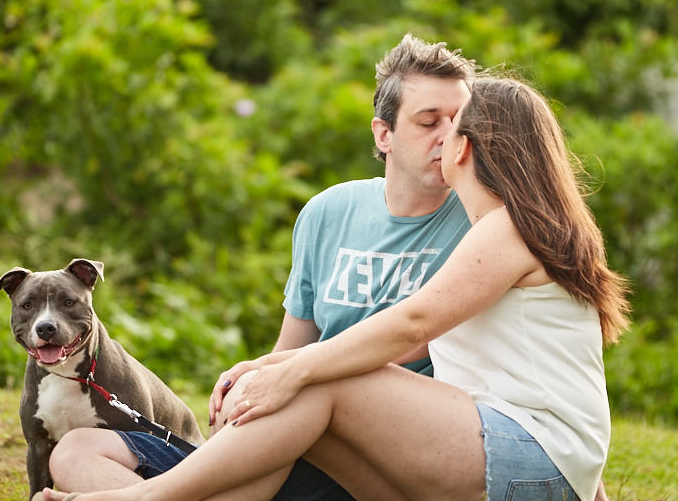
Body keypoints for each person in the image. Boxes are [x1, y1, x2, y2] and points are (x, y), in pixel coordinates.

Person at [44, 75, 631, 501]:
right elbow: (566, 387)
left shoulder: (507, 230)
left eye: (450, 126)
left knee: (328, 376)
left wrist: (293, 369)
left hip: (524, 461)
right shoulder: (509, 228)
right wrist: (275, 368)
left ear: (469, 147)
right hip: (514, 463)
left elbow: (413, 324)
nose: (440, 138)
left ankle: (145, 500)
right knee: (310, 379)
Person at [47, 35, 478, 500]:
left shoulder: (480, 222)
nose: (449, 136)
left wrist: (282, 378)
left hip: (376, 453)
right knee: (75, 451)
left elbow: (402, 344)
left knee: (298, 388)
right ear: (383, 134)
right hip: (296, 426)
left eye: (460, 121)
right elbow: (294, 343)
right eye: (429, 121)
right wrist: (254, 386)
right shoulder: (329, 211)